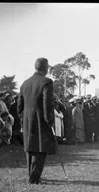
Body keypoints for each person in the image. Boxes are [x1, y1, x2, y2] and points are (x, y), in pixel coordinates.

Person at [17, 57, 56, 185]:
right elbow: (47, 104)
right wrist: (49, 120)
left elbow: (19, 106)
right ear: (46, 68)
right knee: (41, 148)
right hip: (41, 119)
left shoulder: (25, 83)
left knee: (30, 148)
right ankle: (34, 178)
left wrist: (23, 120)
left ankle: (32, 176)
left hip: (28, 119)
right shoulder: (47, 82)